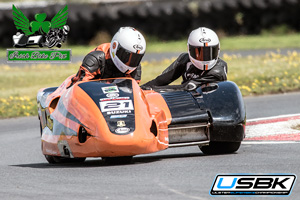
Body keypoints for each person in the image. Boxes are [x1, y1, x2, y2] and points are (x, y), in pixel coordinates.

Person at [141, 27, 227, 91]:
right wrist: (140, 90)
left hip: (211, 105)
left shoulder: (218, 70)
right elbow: (161, 80)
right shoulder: (185, 59)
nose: (204, 58)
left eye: (210, 52)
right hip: (189, 101)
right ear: (189, 49)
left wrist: (151, 89)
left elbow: (187, 87)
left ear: (218, 49)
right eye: (198, 53)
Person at [69, 27, 146, 87]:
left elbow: (133, 93)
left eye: (135, 58)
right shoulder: (95, 59)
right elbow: (80, 87)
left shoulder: (136, 67)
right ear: (115, 47)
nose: (130, 62)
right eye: (127, 56)